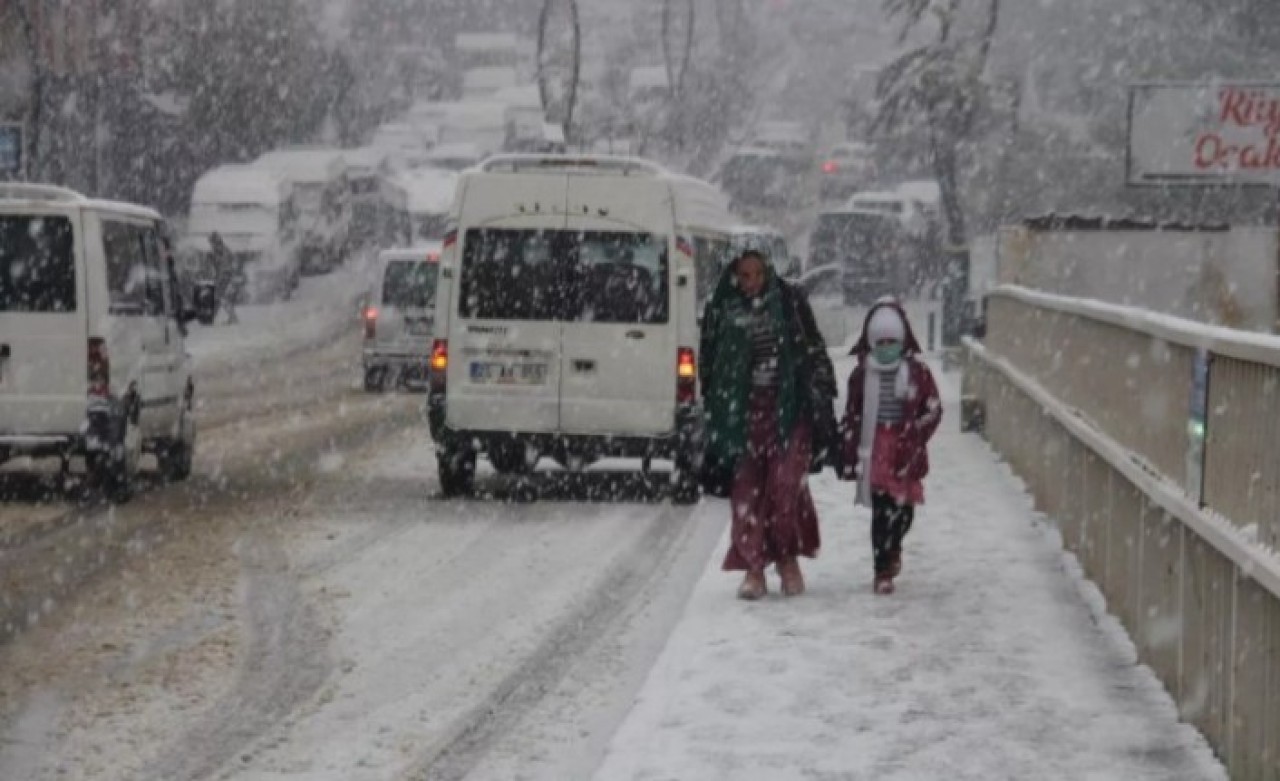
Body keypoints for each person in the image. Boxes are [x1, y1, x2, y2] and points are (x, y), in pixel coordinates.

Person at [700, 249, 838, 600]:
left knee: (785, 486)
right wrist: (718, 408)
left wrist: (820, 393)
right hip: (744, 415)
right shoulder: (724, 308)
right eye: (744, 276)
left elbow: (813, 350)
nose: (751, 283)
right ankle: (754, 566)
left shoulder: (788, 303)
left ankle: (787, 557)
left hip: (788, 411)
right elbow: (710, 363)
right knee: (747, 493)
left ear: (769, 273)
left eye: (758, 274)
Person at [837, 299, 943, 595]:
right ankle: (882, 569)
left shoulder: (918, 374)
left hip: (905, 449)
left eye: (891, 342)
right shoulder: (861, 376)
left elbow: (933, 409)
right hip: (875, 450)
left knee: (904, 511)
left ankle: (894, 546)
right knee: (882, 512)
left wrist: (917, 432)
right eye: (880, 342)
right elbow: (852, 413)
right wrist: (848, 445)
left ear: (902, 341)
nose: (886, 347)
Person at [208, 232, 241, 325]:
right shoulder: (224, 248)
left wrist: (213, 260)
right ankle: (213, 317)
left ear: (214, 241)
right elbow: (233, 260)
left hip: (223, 275)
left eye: (211, 242)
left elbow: (220, 262)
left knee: (219, 296)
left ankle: (233, 317)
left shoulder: (219, 249)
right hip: (225, 275)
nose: (211, 244)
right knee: (218, 297)